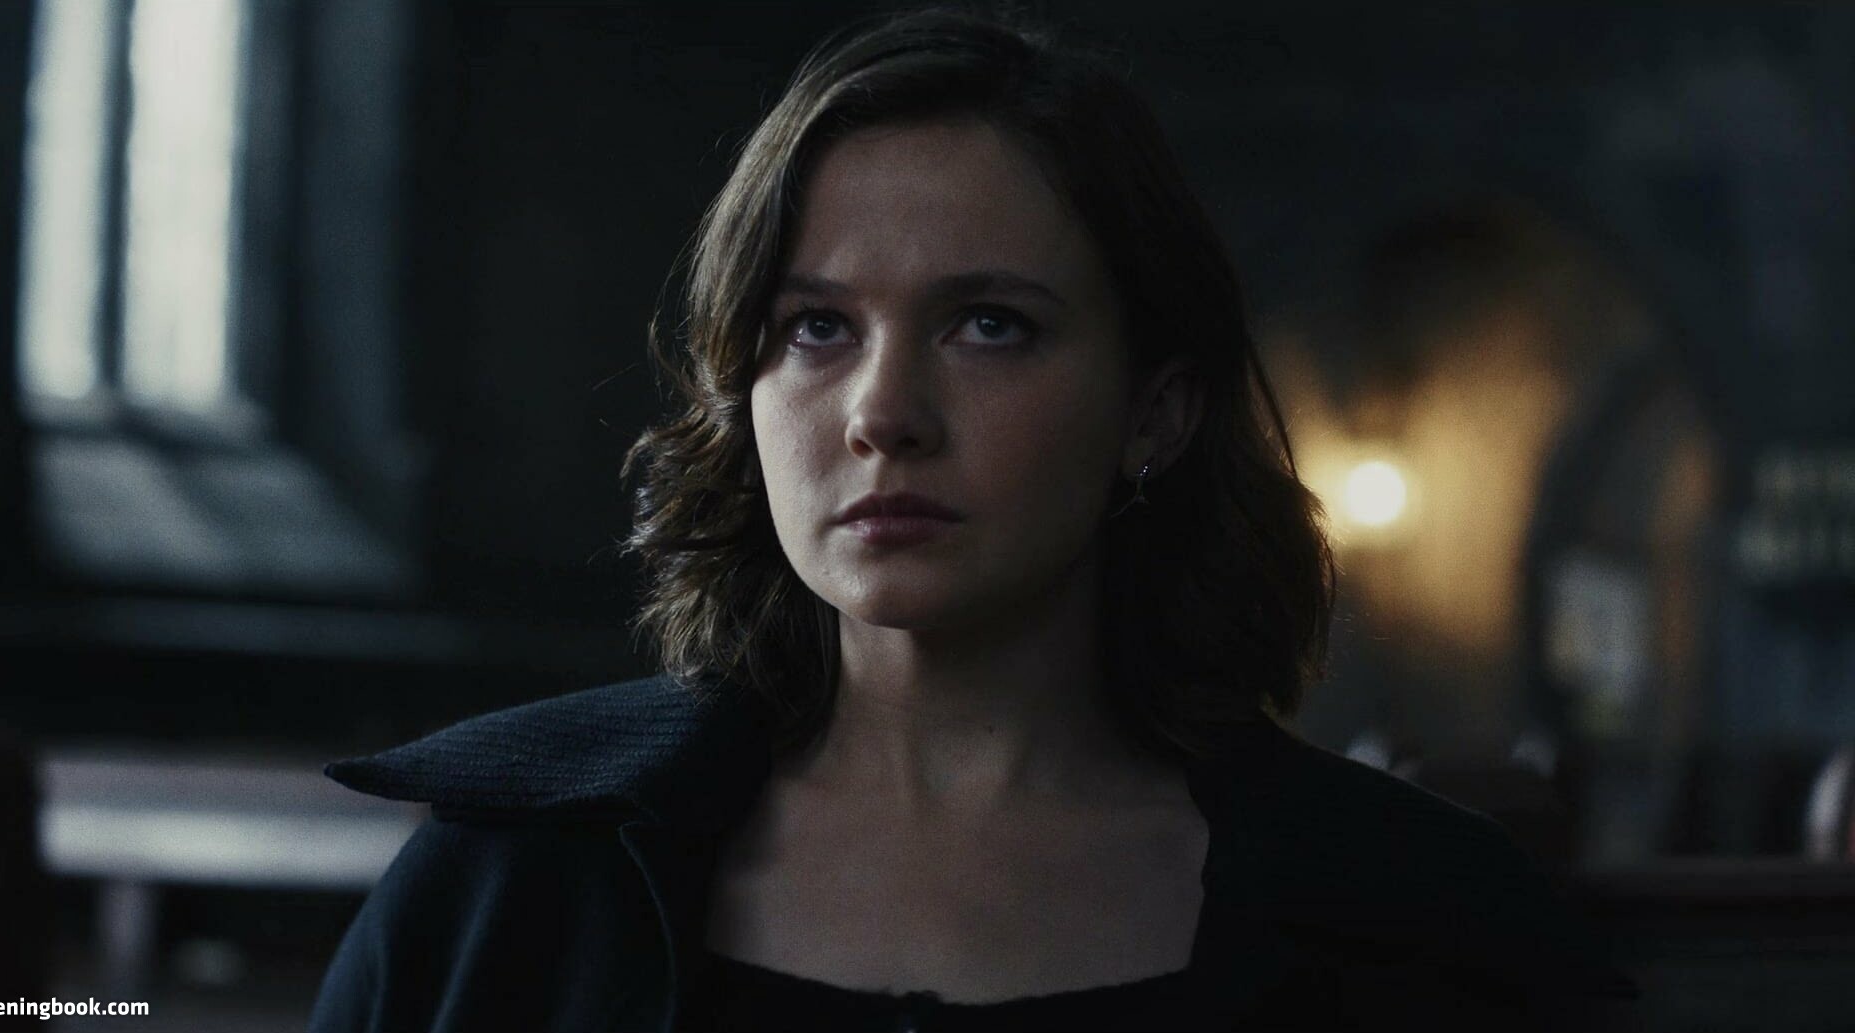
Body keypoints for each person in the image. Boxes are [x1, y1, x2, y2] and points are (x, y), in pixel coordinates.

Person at [308, 8, 1638, 1031]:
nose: (884, 413)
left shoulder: (1418, 927)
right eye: (815, 327)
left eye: (989, 325)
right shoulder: (515, 882)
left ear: (1155, 411)